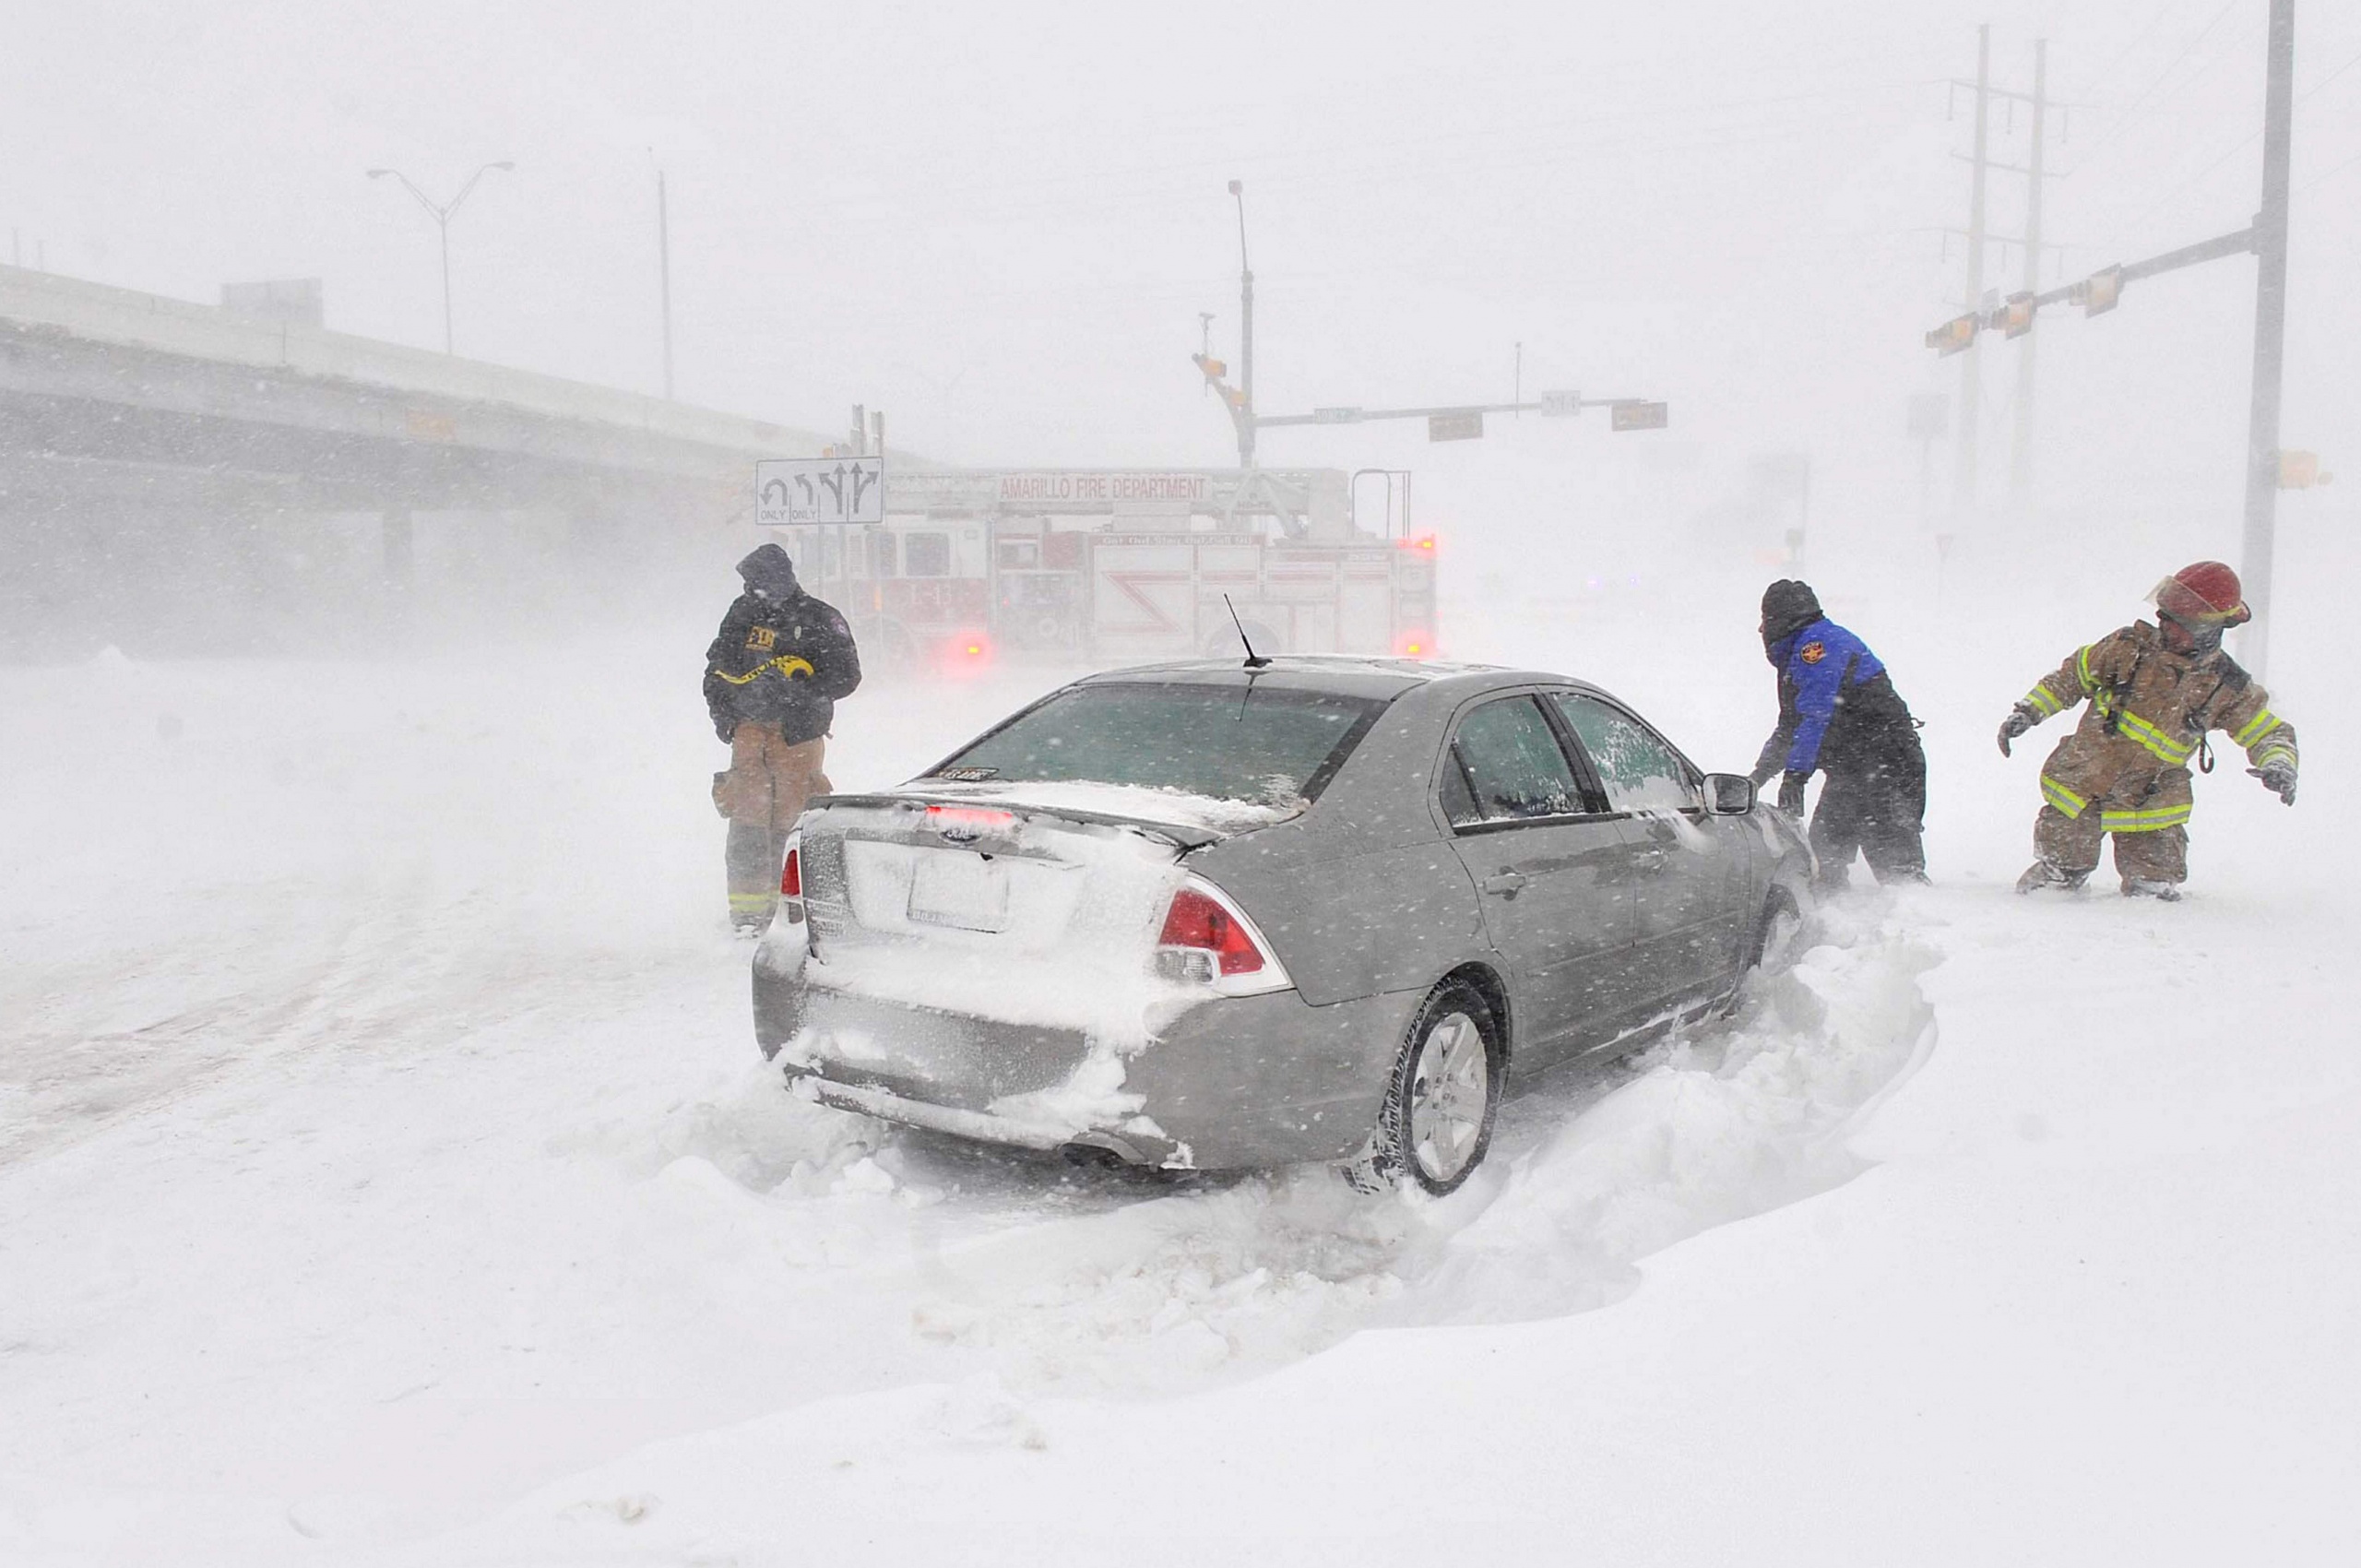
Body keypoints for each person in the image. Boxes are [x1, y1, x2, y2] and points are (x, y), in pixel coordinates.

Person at [1998, 560, 2296, 901]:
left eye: (2178, 621)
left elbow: (2267, 732)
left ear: (2209, 629)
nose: (2164, 623)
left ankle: (2147, 931)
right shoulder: (2128, 647)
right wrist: (2028, 711)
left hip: (2152, 800)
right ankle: (2058, 886)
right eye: (2164, 614)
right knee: (2056, 880)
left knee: (2153, 895)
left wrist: (2279, 764)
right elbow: (2071, 678)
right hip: (2084, 781)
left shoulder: (2225, 686)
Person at [704, 542, 861, 932]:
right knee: (747, 826)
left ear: (779, 578)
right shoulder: (742, 614)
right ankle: (747, 915)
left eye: (756, 582)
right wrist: (728, 720)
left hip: (797, 740)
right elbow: (716, 670)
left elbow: (847, 677)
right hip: (749, 737)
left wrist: (799, 692)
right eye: (747, 583)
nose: (750, 590)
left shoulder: (819, 618)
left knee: (794, 824)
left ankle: (794, 912)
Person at [1749, 578, 1928, 888]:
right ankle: (1838, 923)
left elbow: (1815, 717)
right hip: (1858, 770)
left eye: (1765, 620)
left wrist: (1796, 776)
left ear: (1781, 620)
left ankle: (1916, 925)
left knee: (1896, 867)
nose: (1761, 630)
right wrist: (1757, 778)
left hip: (1885, 767)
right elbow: (1789, 727)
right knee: (1825, 857)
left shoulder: (1816, 648)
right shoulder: (1801, 653)